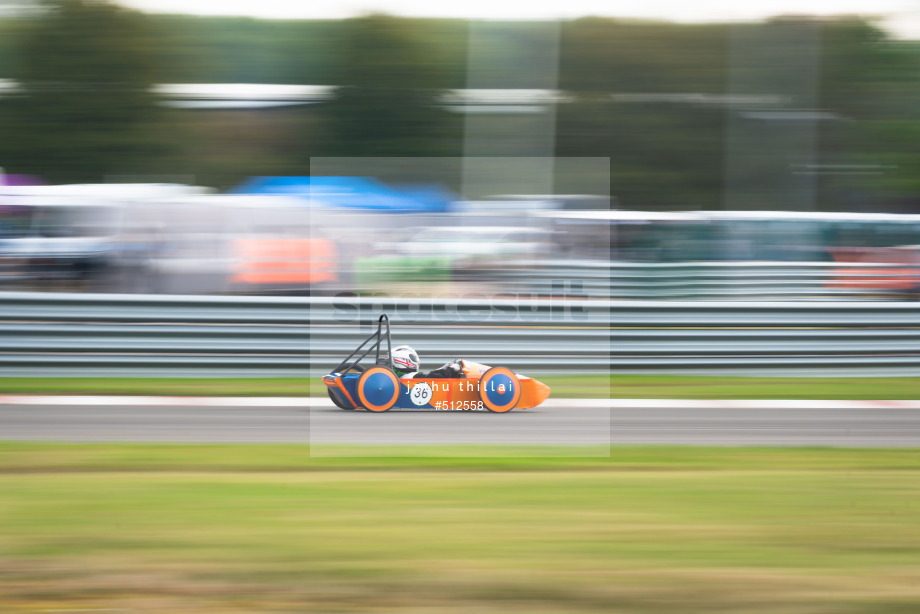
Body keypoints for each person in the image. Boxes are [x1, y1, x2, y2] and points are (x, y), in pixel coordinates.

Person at [392, 345, 463, 378]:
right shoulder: (408, 377)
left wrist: (443, 369)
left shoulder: (398, 378)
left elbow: (429, 376)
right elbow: (431, 377)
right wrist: (451, 369)